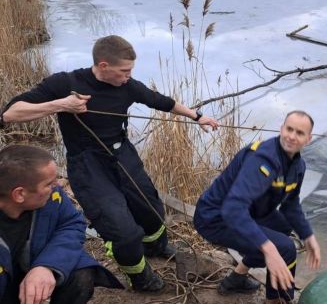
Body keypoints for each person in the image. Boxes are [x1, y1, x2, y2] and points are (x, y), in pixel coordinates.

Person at [1, 35, 219, 292]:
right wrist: (62, 105)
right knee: (123, 231)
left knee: (151, 210)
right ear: (103, 66)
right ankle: (139, 276)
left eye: (131, 71)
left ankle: (155, 247)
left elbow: (161, 101)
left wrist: (198, 117)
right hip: (87, 163)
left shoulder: (128, 86)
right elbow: (10, 114)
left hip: (122, 153)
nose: (128, 76)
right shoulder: (66, 83)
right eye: (124, 71)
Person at [194, 110, 321, 304]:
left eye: (300, 133)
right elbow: (233, 208)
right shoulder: (263, 160)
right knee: (284, 248)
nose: (292, 136)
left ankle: (237, 277)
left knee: (284, 226)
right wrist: (269, 249)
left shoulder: (297, 166)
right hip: (215, 218)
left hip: (249, 211)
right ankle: (275, 300)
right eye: (289, 129)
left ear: (308, 139)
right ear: (281, 129)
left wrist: (307, 235)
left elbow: (291, 204)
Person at [0, 144, 123, 304]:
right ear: (19, 194)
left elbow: (72, 224)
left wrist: (47, 266)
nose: (58, 185)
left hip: (31, 269)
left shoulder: (52, 196)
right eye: (49, 183)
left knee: (81, 274)